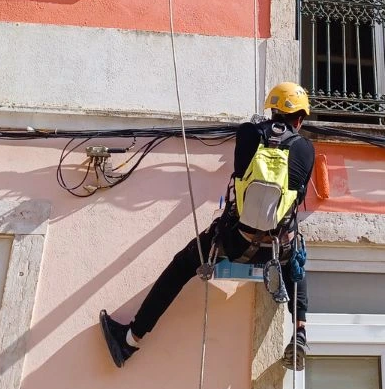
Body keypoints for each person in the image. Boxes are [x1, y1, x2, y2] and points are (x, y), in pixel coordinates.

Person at [100, 82, 317, 370]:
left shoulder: (248, 133)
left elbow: (240, 169)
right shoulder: (306, 150)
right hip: (276, 248)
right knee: (296, 259)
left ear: (272, 110)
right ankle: (300, 331)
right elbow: (297, 193)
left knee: (182, 265)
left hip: (236, 238)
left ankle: (130, 339)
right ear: (299, 119)